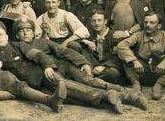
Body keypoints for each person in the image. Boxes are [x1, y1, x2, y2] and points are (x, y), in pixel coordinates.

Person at [0, 21, 125, 114]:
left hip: (44, 74)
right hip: (34, 85)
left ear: (7, 36)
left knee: (69, 87)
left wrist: (47, 67)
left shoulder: (18, 45)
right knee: (71, 97)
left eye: (0, 34)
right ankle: (109, 101)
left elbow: (39, 55)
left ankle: (108, 95)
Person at [13, 16, 147, 110]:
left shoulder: (43, 41)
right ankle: (123, 97)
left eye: (28, 30)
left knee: (88, 80)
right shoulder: (17, 46)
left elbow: (64, 51)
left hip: (63, 64)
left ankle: (127, 92)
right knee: (71, 87)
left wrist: (84, 63)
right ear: (17, 35)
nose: (25, 33)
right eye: (21, 31)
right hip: (46, 73)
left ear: (32, 31)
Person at [117, 12, 165, 100]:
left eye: (152, 23)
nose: (148, 25)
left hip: (159, 72)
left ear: (159, 26)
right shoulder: (138, 35)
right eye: (146, 22)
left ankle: (159, 85)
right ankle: (135, 84)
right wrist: (134, 61)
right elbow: (121, 45)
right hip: (141, 72)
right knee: (124, 54)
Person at [82, 10, 125, 84]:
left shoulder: (115, 36)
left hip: (108, 67)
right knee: (84, 50)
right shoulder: (89, 34)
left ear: (105, 21)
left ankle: (90, 81)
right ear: (91, 22)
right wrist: (86, 41)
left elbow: (118, 58)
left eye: (99, 20)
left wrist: (104, 66)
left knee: (113, 73)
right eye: (94, 21)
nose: (97, 23)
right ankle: (92, 79)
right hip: (93, 65)